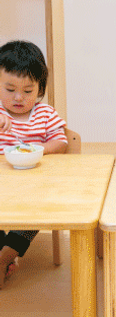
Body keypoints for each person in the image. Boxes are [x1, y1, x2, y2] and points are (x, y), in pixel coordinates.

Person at [0, 40, 68, 289]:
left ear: (40, 89)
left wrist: (38, 149)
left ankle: (6, 255)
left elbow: (61, 142)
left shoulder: (45, 114)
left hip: (35, 189)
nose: (19, 97)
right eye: (10, 89)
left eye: (28, 91)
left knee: (39, 214)